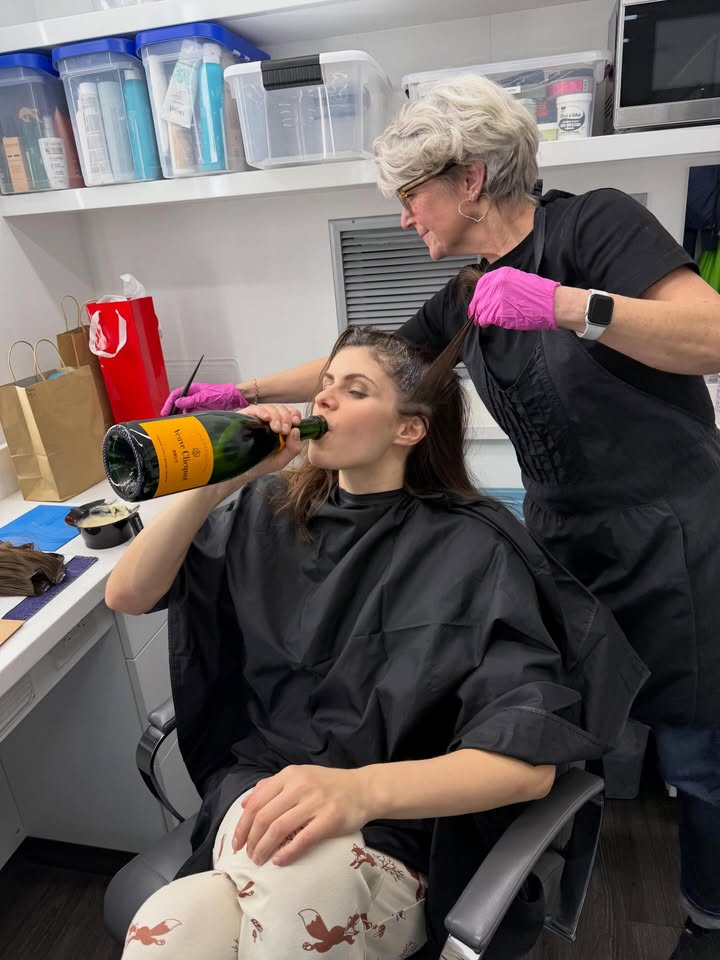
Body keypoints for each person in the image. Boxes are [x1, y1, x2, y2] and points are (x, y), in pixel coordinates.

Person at [162, 76, 720, 959]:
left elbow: (711, 334)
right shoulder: (469, 289)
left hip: (676, 539)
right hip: (565, 538)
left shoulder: (597, 226)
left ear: (469, 179)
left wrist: (569, 306)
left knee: (697, 757)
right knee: (557, 723)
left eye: (409, 195)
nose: (402, 217)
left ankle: (707, 918)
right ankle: (545, 883)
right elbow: (374, 365)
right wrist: (246, 391)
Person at [116, 325, 645, 959]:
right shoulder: (264, 509)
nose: (323, 399)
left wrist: (357, 791)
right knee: (163, 935)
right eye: (325, 384)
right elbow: (128, 594)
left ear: (409, 429)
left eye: (355, 389)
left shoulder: (472, 549)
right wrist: (216, 485)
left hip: (394, 833)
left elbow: (527, 767)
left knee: (233, 908)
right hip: (262, 802)